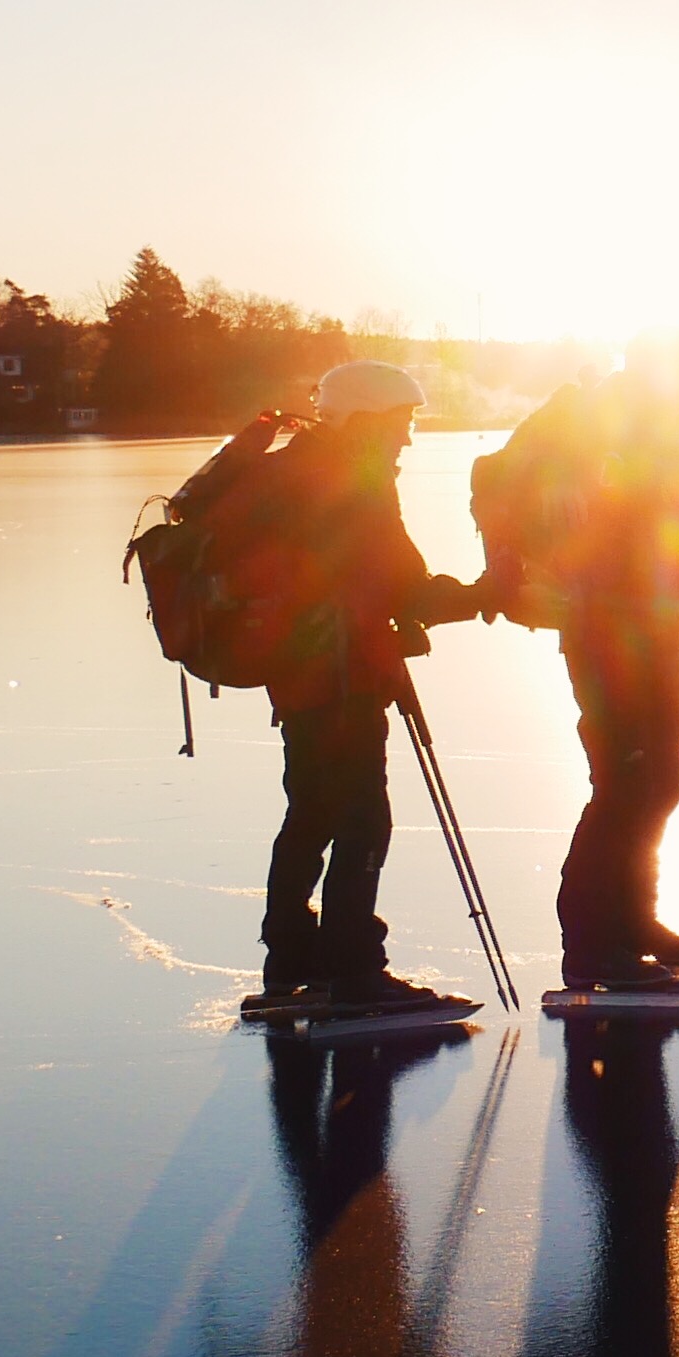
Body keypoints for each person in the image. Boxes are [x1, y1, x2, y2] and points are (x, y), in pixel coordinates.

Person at [475, 329, 679, 996]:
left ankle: (633, 925)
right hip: (604, 628)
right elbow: (619, 531)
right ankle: (593, 945)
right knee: (627, 779)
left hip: (658, 624)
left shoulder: (676, 435)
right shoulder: (596, 433)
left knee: (663, 777)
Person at [249, 361, 486, 1021]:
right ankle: (354, 972)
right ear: (366, 419)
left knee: (310, 814)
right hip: (342, 673)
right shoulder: (354, 480)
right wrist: (483, 595)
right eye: (402, 423)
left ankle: (292, 962)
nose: (407, 439)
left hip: (297, 673)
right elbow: (401, 579)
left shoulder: (290, 472)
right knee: (362, 818)